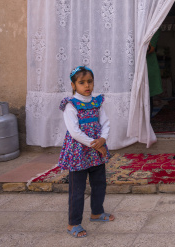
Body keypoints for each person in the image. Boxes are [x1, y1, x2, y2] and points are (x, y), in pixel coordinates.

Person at [59, 66, 115, 238]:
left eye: (89, 81)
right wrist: (96, 144)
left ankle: (96, 213)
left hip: (96, 151)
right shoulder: (71, 105)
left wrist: (103, 139)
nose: (87, 85)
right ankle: (73, 223)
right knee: (77, 189)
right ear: (73, 85)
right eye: (81, 82)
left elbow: (105, 123)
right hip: (79, 153)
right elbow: (74, 132)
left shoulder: (97, 102)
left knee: (99, 183)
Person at [147, 30, 163, 115]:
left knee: (148, 97)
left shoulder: (153, 27)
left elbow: (150, 48)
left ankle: (147, 124)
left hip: (148, 66)